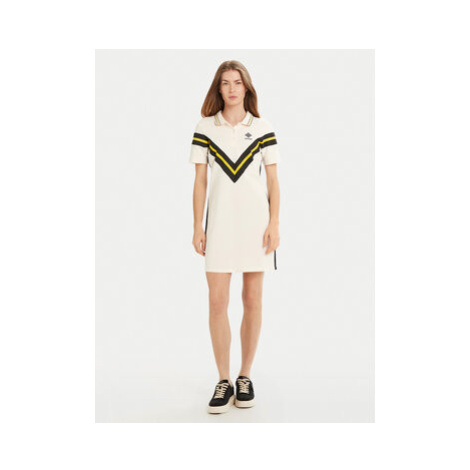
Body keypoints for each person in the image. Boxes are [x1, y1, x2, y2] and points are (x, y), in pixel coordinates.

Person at [189, 60, 281, 414]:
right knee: (217, 302)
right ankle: (223, 379)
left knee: (252, 300)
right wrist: (198, 226)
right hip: (220, 226)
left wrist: (274, 223)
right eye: (225, 83)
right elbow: (200, 181)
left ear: (246, 88)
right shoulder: (204, 128)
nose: (231, 88)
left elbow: (273, 181)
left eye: (237, 82)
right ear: (219, 88)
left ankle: (245, 376)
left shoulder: (262, 128)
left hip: (256, 226)